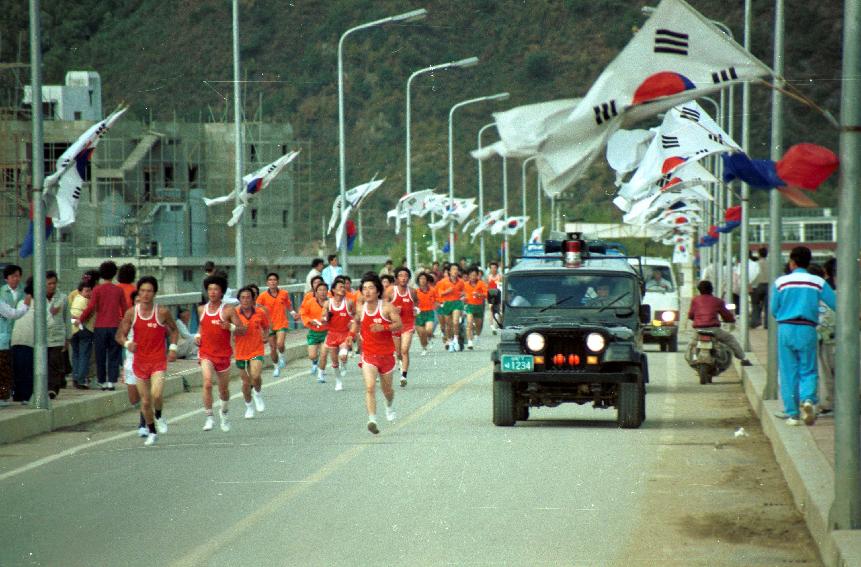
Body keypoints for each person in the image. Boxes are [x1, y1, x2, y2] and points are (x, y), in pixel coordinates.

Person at [771, 246, 836, 426]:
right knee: (808, 369)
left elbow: (774, 310)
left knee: (788, 371)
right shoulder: (817, 282)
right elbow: (836, 304)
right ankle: (808, 400)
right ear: (809, 262)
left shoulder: (781, 282)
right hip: (807, 328)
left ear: (792, 262)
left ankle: (792, 414)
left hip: (785, 328)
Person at [116, 276, 179, 446]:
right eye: (142, 291)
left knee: (156, 394)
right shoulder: (131, 313)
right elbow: (119, 336)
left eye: (149, 291)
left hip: (158, 360)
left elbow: (174, 331)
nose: (145, 294)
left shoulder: (162, 312)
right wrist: (128, 343)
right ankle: (152, 431)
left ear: (155, 293)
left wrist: (173, 348)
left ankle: (158, 415)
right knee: (144, 401)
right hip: (139, 362)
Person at [346, 273, 402, 434]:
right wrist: (350, 337)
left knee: (388, 391)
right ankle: (372, 420)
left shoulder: (386, 307)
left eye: (371, 288)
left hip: (386, 355)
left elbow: (398, 324)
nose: (367, 291)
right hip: (369, 354)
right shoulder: (361, 308)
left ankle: (389, 405)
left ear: (378, 290)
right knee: (370, 387)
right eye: (364, 288)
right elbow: (356, 324)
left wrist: (384, 327)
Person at [196, 274, 246, 432]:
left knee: (223, 390)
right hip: (206, 353)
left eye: (216, 289)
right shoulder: (201, 309)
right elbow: (202, 326)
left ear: (222, 291)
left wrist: (230, 327)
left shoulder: (228, 310)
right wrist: (198, 335)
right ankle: (209, 417)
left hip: (223, 355)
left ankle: (224, 413)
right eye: (210, 289)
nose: (212, 292)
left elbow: (243, 330)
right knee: (207, 383)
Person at [76, 261, 129, 391]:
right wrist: (127, 323)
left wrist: (80, 319)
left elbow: (91, 307)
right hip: (115, 326)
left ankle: (102, 381)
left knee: (100, 355)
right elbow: (125, 308)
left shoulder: (97, 290)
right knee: (113, 355)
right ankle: (111, 381)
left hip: (99, 327)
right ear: (114, 274)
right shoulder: (118, 290)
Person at [688, 280, 752, 366]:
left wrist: (696, 318)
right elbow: (727, 316)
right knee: (730, 339)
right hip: (713, 330)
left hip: (698, 330)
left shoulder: (695, 300)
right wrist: (731, 320)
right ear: (711, 289)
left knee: (692, 345)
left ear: (699, 290)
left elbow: (691, 315)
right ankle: (743, 359)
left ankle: (694, 358)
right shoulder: (718, 301)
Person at [233, 286, 269, 419]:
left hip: (256, 349)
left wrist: (265, 336)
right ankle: (248, 406)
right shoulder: (234, 313)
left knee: (255, 375)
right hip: (241, 352)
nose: (246, 300)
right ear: (239, 299)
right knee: (246, 382)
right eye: (242, 297)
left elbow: (266, 327)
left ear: (253, 299)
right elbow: (228, 329)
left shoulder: (260, 312)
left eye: (248, 297)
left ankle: (258, 394)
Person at [257, 273, 298, 378]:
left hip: (281, 323)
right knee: (272, 348)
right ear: (267, 282)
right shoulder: (262, 296)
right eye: (270, 280)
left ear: (277, 282)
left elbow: (288, 305)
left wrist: (293, 314)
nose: (272, 282)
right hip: (269, 325)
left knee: (280, 344)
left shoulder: (284, 293)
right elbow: (258, 310)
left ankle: (282, 356)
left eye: (274, 280)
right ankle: (276, 367)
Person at [810, 262, 836, 416]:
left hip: (822, 337)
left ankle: (827, 404)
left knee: (824, 371)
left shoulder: (815, 293)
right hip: (838, 335)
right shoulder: (833, 291)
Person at [386, 267, 418, 387]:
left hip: (408, 325)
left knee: (405, 350)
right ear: (396, 278)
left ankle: (403, 376)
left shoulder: (412, 291)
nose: (403, 278)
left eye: (405, 276)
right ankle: (400, 363)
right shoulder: (390, 291)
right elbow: (384, 307)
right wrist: (393, 311)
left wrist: (416, 310)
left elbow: (416, 303)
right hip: (395, 325)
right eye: (401, 275)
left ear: (409, 278)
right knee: (398, 352)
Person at [322, 277, 354, 391]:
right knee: (334, 362)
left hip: (344, 334)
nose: (343, 289)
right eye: (340, 287)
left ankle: (344, 363)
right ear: (334, 290)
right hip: (332, 334)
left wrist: (352, 322)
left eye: (344, 287)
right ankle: (338, 380)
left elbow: (355, 316)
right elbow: (323, 319)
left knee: (343, 355)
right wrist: (326, 317)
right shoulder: (327, 303)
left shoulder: (349, 302)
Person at [0, 264, 25, 405]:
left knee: (18, 365)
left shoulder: (23, 292)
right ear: (6, 278)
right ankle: (4, 394)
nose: (16, 279)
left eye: (18, 276)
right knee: (4, 367)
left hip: (20, 334)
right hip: (4, 335)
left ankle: (17, 393)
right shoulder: (1, 293)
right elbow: (11, 314)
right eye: (12, 276)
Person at [45, 271, 71, 398]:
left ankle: (52, 389)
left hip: (57, 336)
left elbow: (67, 318)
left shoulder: (63, 297)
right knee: (44, 363)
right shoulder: (37, 297)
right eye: (49, 283)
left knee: (55, 363)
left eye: (54, 283)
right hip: (42, 338)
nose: (52, 286)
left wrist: (68, 338)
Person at [11, 278, 36, 403]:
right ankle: (26, 396)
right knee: (28, 371)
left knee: (18, 370)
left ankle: (18, 395)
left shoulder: (21, 301)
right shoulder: (39, 304)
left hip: (16, 340)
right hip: (29, 340)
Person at [301, 281, 330, 382]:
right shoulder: (310, 302)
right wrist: (310, 321)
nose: (322, 292)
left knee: (324, 354)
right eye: (320, 290)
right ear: (316, 292)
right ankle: (315, 362)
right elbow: (303, 314)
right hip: (313, 333)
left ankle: (320, 374)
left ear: (327, 291)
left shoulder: (330, 303)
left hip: (326, 333)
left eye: (324, 290)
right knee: (312, 355)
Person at [70, 280, 94, 389]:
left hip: (72, 329)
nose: (89, 293)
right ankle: (81, 379)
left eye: (90, 291)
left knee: (76, 354)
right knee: (84, 354)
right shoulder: (87, 301)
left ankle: (75, 377)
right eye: (87, 291)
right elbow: (89, 314)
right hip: (84, 328)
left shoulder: (75, 299)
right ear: (80, 291)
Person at [436, 264, 465, 352]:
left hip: (457, 303)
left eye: (456, 269)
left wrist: (463, 295)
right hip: (447, 304)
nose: (455, 271)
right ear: (450, 271)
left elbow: (464, 291)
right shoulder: (443, 282)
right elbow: (440, 293)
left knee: (456, 322)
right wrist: (446, 291)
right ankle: (450, 341)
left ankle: (456, 340)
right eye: (453, 269)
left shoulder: (461, 282)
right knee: (448, 325)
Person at [463, 267, 487, 350]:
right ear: (469, 276)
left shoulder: (481, 283)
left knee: (479, 325)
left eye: (475, 275)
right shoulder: (465, 284)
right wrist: (464, 298)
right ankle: (470, 341)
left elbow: (486, 294)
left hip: (479, 306)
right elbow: (462, 294)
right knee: (469, 323)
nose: (473, 277)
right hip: (469, 306)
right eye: (471, 275)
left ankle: (477, 336)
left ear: (477, 276)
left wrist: (479, 295)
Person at [415, 272, 437, 356]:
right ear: (418, 281)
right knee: (421, 334)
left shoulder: (432, 290)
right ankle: (424, 347)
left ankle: (430, 337)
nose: (422, 280)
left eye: (424, 279)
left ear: (427, 280)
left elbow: (437, 299)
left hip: (429, 312)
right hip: (419, 314)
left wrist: (436, 304)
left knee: (429, 330)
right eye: (421, 279)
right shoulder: (415, 291)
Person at [750, 247, 769, 328]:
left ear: (759, 254)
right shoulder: (771, 263)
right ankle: (767, 324)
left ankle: (755, 322)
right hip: (769, 285)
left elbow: (754, 275)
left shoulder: (756, 263)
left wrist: (750, 284)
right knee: (767, 306)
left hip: (757, 285)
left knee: (755, 305)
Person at [486, 262, 503, 335]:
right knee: (491, 309)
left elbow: (502, 285)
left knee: (499, 310)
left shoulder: (500, 276)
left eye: (495, 268)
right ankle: (492, 326)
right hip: (491, 295)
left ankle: (498, 324)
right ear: (490, 269)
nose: (493, 269)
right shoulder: (488, 276)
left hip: (498, 294)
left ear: (497, 268)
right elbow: (486, 286)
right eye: (492, 268)